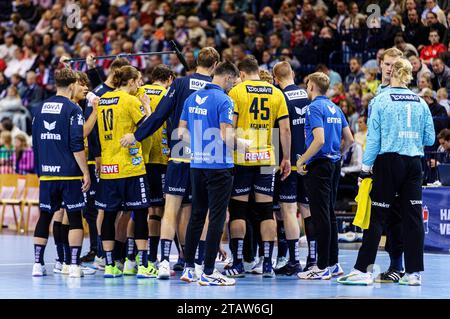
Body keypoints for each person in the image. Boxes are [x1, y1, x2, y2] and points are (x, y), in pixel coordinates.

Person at [120, 47, 221, 279]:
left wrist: (137, 135)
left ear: (197, 61)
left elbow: (158, 116)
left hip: (179, 151)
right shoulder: (217, 89)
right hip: (207, 156)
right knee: (198, 212)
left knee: (171, 209)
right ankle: (193, 262)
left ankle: (164, 261)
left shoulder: (180, 84)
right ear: (215, 65)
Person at [338, 58, 435, 286]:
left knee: (377, 217)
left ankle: (362, 270)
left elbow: (373, 140)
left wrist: (365, 168)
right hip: (414, 163)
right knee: (413, 218)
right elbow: (430, 138)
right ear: (410, 75)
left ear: (392, 74)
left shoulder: (381, 100)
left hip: (389, 162)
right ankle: (413, 274)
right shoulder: (421, 102)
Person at [223, 56, 291, 278]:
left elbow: (229, 128)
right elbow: (285, 130)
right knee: (265, 212)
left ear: (241, 74)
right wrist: (286, 158)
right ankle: (269, 264)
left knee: (239, 212)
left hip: (242, 159)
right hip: (267, 159)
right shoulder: (276, 92)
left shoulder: (237, 92)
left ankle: (239, 262)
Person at [179, 61, 239, 286]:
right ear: (227, 77)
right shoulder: (225, 100)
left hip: (197, 164)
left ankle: (188, 268)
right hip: (219, 166)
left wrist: (198, 146)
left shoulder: (191, 98)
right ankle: (209, 271)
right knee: (217, 217)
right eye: (232, 81)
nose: (232, 85)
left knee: (196, 215)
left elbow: (181, 131)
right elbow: (227, 137)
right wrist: (246, 146)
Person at [31, 68, 90, 278]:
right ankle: (73, 266)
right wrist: (86, 172)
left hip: (47, 174)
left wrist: (41, 170)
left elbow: (35, 143)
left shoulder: (39, 108)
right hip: (69, 175)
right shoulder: (73, 109)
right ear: (73, 84)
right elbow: (76, 143)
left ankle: (37, 264)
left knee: (44, 217)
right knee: (74, 218)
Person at [296, 72, 353, 280]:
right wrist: (337, 155)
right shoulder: (335, 108)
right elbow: (350, 139)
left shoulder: (313, 108)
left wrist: (302, 160)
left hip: (319, 165)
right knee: (328, 213)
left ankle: (321, 266)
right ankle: (333, 263)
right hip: (333, 164)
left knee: (320, 215)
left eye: (307, 84)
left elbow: (318, 140)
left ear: (311, 86)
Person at [122, 65, 175, 276]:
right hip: (160, 158)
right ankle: (152, 258)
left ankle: (129, 258)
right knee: (157, 211)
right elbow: (171, 126)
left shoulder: (139, 93)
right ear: (170, 78)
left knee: (137, 210)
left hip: (139, 159)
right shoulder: (168, 94)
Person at [80, 57, 131, 267]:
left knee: (116, 207)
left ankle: (110, 251)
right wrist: (97, 155)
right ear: (118, 72)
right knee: (103, 208)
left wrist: (92, 68)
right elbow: (93, 130)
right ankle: (101, 252)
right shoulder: (101, 93)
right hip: (101, 158)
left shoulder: (110, 90)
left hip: (118, 157)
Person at [271, 61, 316, 276]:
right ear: (293, 73)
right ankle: (313, 259)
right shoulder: (308, 95)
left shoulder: (279, 97)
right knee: (307, 210)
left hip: (287, 162)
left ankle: (293, 260)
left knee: (288, 210)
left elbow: (283, 131)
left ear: (275, 79)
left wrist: (285, 158)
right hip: (308, 161)